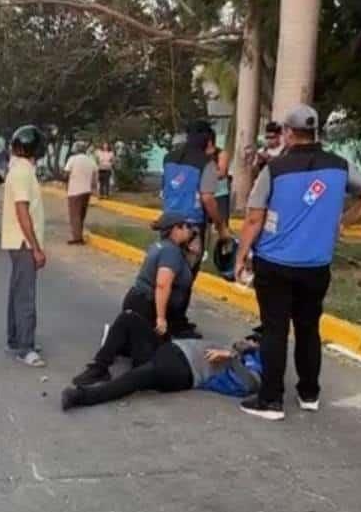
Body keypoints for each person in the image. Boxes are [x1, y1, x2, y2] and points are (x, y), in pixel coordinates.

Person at [236, 104, 361, 421]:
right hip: (316, 265)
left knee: (275, 331)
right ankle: (309, 393)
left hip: (275, 262)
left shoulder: (275, 169)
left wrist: (240, 256)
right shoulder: (339, 166)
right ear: (315, 133)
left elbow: (253, 218)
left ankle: (271, 401)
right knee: (308, 329)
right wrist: (344, 221)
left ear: (289, 133)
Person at [71, 211, 197, 386]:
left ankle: (119, 340)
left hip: (138, 301)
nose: (191, 231)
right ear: (175, 229)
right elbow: (162, 285)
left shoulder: (161, 246)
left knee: (150, 339)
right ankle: (106, 359)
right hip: (147, 306)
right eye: (187, 227)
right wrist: (161, 318)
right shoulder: (171, 253)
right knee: (146, 360)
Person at [61, 333, 263, 410]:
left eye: (251, 341)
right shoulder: (233, 347)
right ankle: (102, 363)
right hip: (170, 351)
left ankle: (82, 397)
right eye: (247, 338)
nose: (245, 341)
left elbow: (251, 384)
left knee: (135, 378)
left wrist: (232, 356)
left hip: (182, 368)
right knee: (131, 320)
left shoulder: (251, 361)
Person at [161, 121, 230, 334]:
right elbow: (208, 198)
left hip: (168, 222)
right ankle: (177, 323)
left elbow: (165, 188)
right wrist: (221, 226)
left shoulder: (169, 157)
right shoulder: (206, 163)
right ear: (209, 141)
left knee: (167, 270)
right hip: (192, 226)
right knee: (186, 275)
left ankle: (163, 316)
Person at [2, 125, 48, 368]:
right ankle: (25, 347)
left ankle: (15, 339)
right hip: (23, 243)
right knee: (25, 295)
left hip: (18, 242)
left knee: (17, 290)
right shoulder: (22, 173)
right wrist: (36, 247)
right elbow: (22, 211)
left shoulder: (20, 170)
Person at [64, 141, 98, 244]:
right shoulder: (90, 160)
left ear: (76, 149)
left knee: (75, 215)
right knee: (82, 215)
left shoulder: (72, 159)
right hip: (86, 191)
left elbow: (66, 173)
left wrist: (66, 182)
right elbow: (95, 174)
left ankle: (77, 238)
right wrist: (93, 187)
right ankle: (79, 235)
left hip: (74, 191)